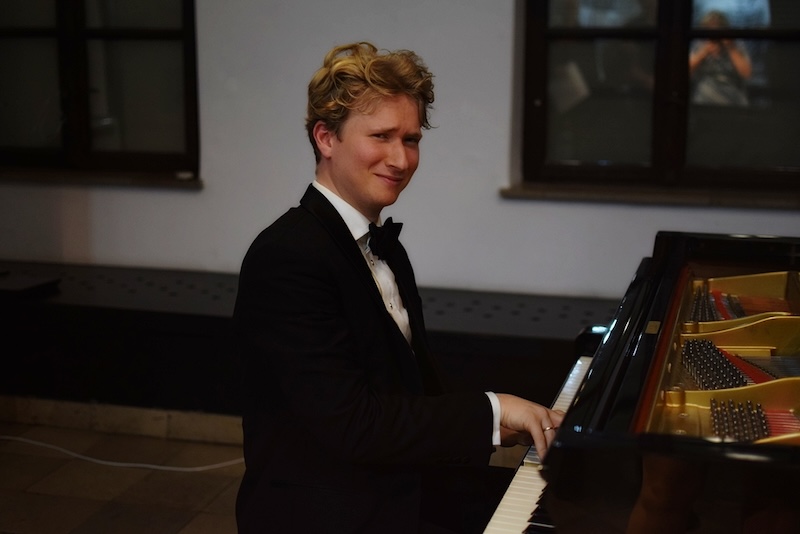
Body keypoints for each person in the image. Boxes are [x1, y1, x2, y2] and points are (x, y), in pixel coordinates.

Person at [233, 41, 564, 534]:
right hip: (329, 512)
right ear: (326, 138)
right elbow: (354, 425)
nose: (401, 159)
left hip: (400, 484)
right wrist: (493, 411)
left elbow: (410, 395)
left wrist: (501, 424)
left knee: (572, 507)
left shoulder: (385, 248)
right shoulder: (287, 256)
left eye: (411, 140)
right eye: (381, 136)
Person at [689, 10, 753, 106]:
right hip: (704, 99)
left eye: (718, 29)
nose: (714, 34)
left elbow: (747, 74)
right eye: (709, 29)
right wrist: (704, 52)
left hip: (733, 99)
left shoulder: (736, 45)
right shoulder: (699, 45)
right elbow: (686, 71)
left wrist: (730, 48)